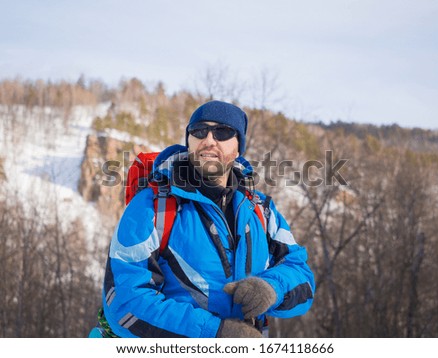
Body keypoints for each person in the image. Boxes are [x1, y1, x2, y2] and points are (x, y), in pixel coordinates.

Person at [94, 100, 315, 338]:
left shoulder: (262, 210)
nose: (209, 140)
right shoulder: (151, 206)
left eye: (222, 132)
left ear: (239, 147)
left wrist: (273, 288)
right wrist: (214, 334)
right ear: (189, 141)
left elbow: (301, 274)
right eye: (199, 131)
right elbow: (125, 302)